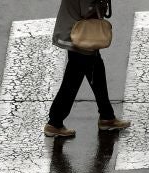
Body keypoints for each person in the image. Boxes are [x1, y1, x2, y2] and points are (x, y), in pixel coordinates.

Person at [44, 0, 131, 137]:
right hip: (79, 35)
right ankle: (54, 123)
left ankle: (107, 116)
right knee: (73, 80)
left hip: (78, 32)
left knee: (96, 74)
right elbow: (87, 10)